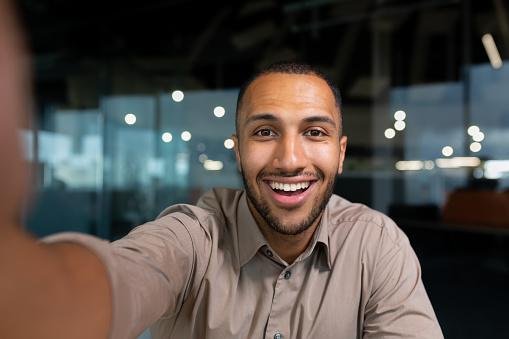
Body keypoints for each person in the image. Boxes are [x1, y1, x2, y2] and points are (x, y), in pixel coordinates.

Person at [0, 2, 443, 338]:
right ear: (237, 150)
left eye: (315, 133)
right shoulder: (194, 237)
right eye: (265, 132)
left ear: (341, 153)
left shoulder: (376, 243)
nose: (289, 159)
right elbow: (128, 273)